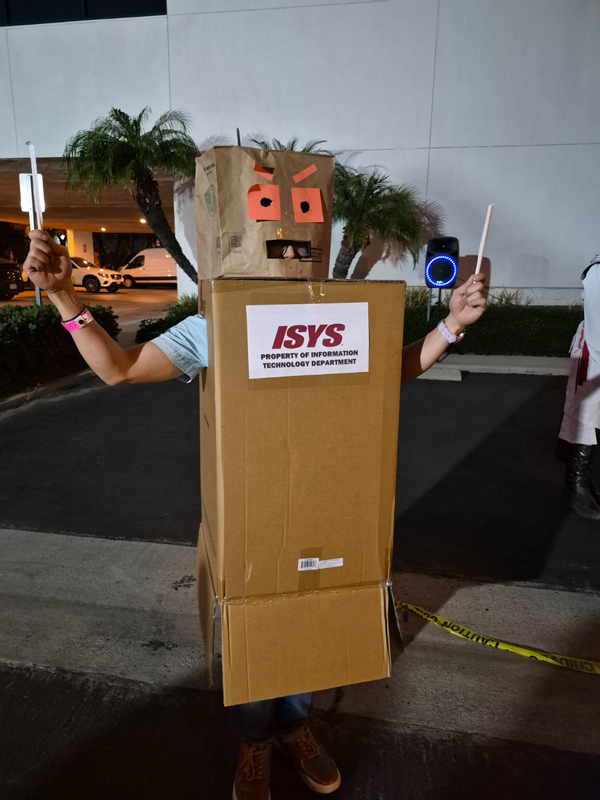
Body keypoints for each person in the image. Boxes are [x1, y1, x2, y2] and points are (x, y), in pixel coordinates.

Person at [23, 230, 487, 799]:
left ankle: (295, 728)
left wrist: (452, 324)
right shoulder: (214, 326)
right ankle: (254, 742)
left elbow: (390, 370)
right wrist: (67, 298)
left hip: (325, 504)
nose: (284, 251)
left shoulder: (337, 311)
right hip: (251, 515)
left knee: (313, 618)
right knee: (254, 626)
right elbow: (119, 368)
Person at [558, 255, 600, 520]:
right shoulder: (598, 271)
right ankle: (575, 486)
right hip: (594, 351)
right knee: (585, 414)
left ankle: (580, 483)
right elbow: (597, 322)